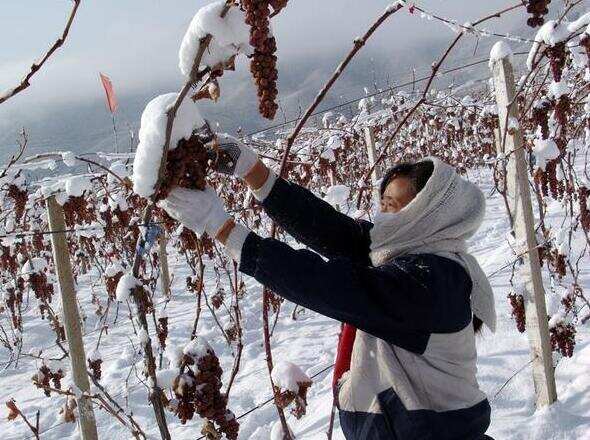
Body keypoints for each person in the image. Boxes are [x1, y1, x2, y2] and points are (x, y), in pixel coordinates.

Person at [158, 135, 497, 440]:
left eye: (393, 207)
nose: (381, 218)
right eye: (382, 205)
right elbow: (337, 233)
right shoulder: (415, 251)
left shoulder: (431, 281)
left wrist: (220, 227)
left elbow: (326, 284)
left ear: (428, 213)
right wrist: (253, 172)